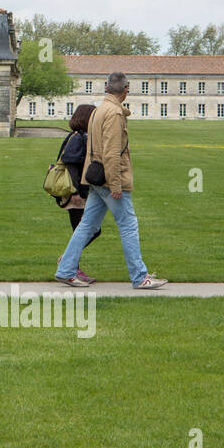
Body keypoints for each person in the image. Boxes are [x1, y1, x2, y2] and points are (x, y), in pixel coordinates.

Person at [53, 73, 169, 289]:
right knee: (128, 225)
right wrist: (115, 184)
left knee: (87, 225)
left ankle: (65, 270)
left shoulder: (98, 110)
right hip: (109, 178)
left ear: (107, 87)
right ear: (126, 89)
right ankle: (140, 277)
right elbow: (112, 152)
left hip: (95, 177)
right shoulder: (114, 113)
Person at [54, 103, 100, 288]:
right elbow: (70, 161)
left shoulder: (81, 137)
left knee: (85, 231)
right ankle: (68, 263)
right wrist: (79, 190)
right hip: (75, 194)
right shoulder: (78, 137)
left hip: (78, 192)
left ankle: (70, 264)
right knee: (87, 230)